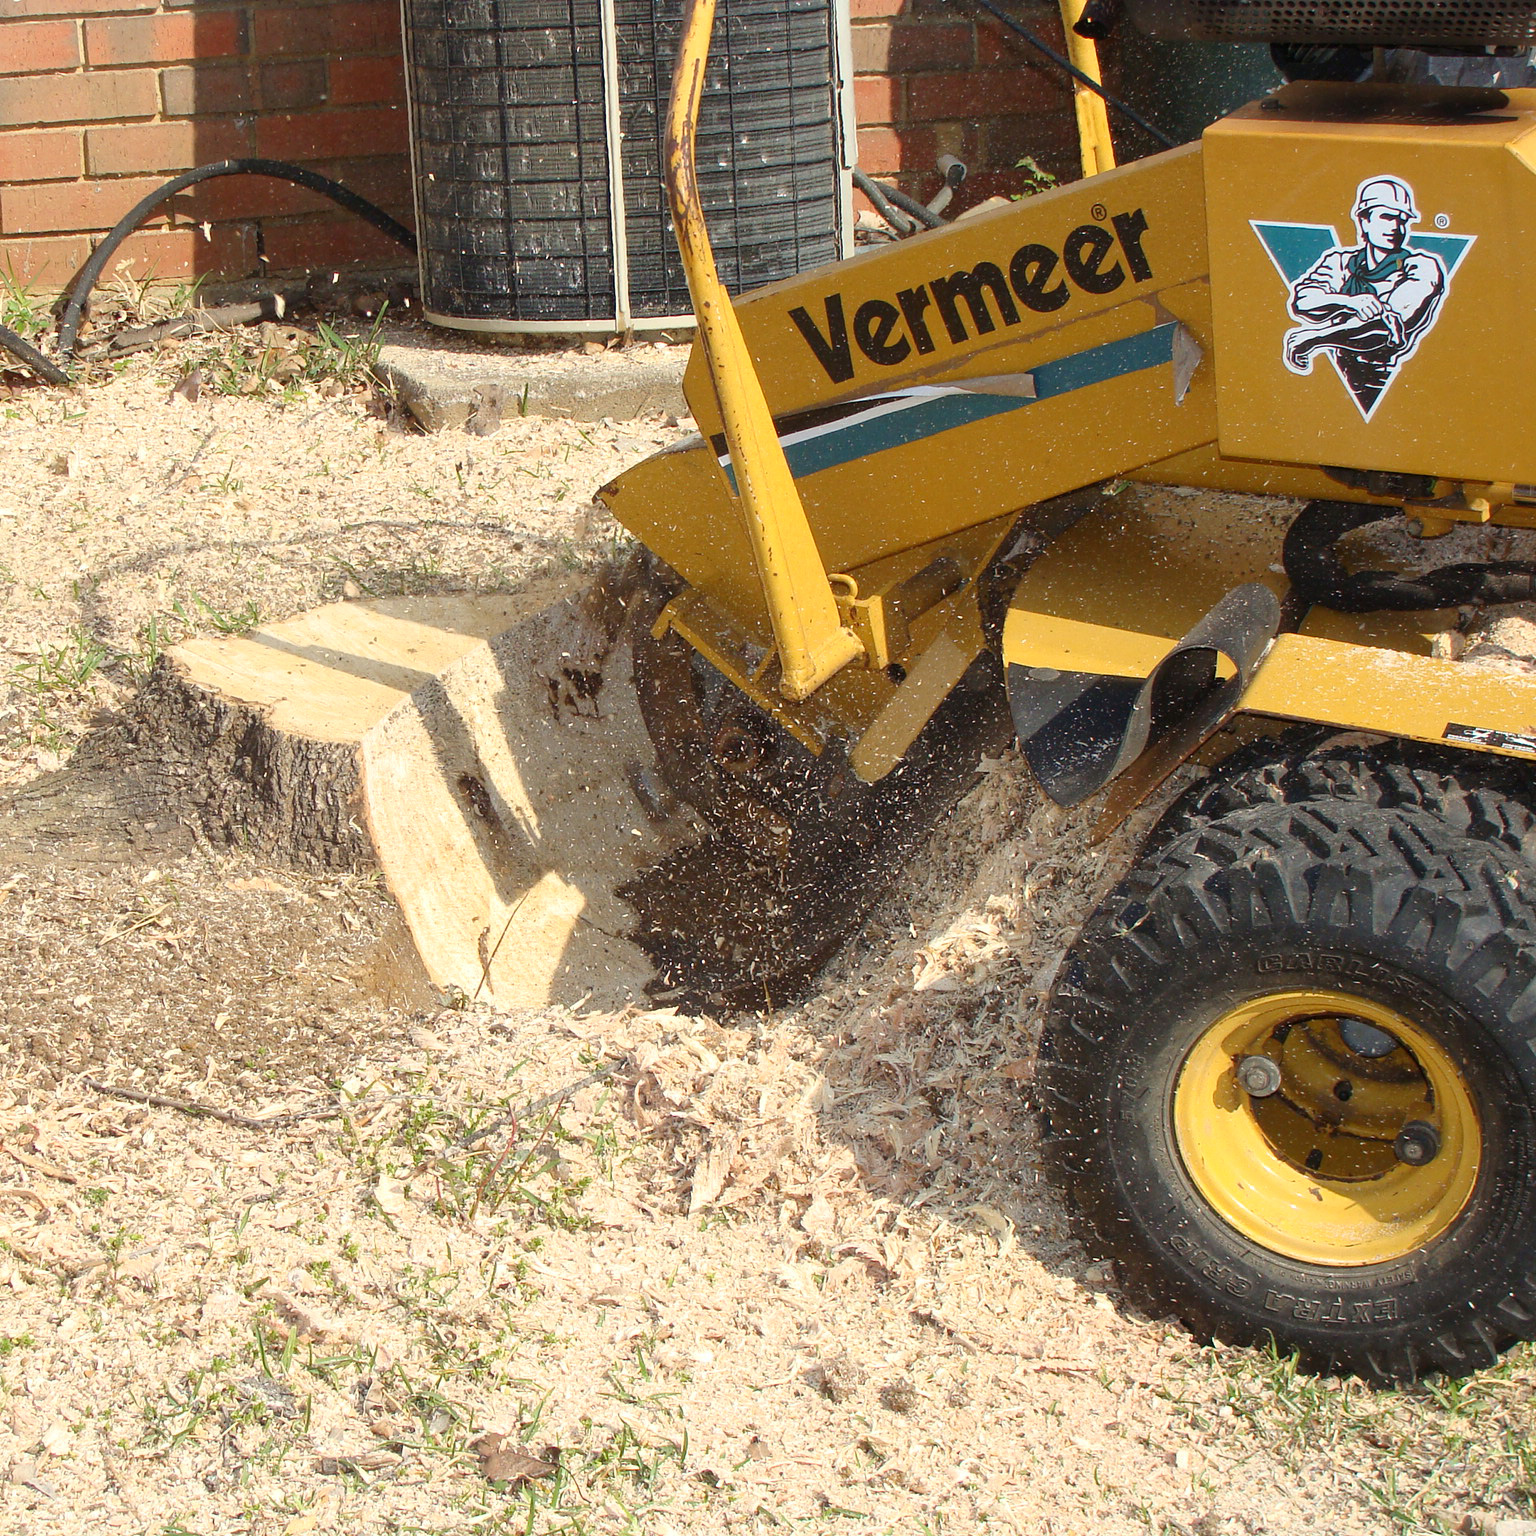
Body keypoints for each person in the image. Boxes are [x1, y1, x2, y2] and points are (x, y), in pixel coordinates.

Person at [1282, 175, 1447, 412]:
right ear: (1364, 221)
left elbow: (1384, 328)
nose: (1395, 228)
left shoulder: (1422, 266)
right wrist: (1349, 302)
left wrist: (1314, 339)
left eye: (1402, 220)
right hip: (1336, 386)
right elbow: (1303, 300)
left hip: (1385, 386)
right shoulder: (1341, 262)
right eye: (1387, 217)